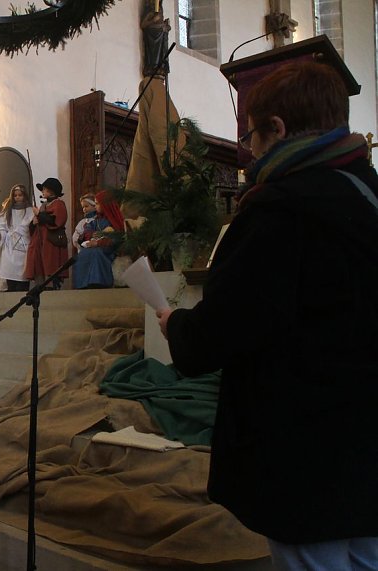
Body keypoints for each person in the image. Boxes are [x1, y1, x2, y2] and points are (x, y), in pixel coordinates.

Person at [157, 61, 378, 569]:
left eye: (251, 137)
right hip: (366, 436)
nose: (250, 152)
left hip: (307, 446)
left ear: (275, 130)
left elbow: (226, 327)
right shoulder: (368, 195)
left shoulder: (281, 212)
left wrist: (179, 327)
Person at [72, 191, 125, 289]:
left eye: (97, 203)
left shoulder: (113, 220)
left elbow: (117, 237)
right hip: (94, 245)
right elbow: (87, 231)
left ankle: (97, 282)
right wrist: (88, 236)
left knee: (96, 253)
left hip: (108, 248)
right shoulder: (96, 220)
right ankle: (83, 284)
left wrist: (99, 242)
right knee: (82, 254)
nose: (95, 206)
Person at [25, 177, 69, 289]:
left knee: (51, 263)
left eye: (44, 189)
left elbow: (56, 221)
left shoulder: (59, 204)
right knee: (39, 263)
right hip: (40, 240)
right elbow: (38, 221)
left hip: (51, 240)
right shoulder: (44, 205)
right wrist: (34, 222)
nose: (42, 192)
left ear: (51, 191)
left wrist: (39, 215)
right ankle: (41, 286)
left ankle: (53, 285)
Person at [0, 184, 34, 292]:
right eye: (15, 195)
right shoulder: (7, 211)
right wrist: (2, 234)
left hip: (24, 243)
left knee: (23, 276)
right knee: (10, 274)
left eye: (20, 195)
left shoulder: (30, 210)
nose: (17, 197)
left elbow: (28, 225)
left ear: (25, 196)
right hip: (9, 246)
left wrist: (19, 231)